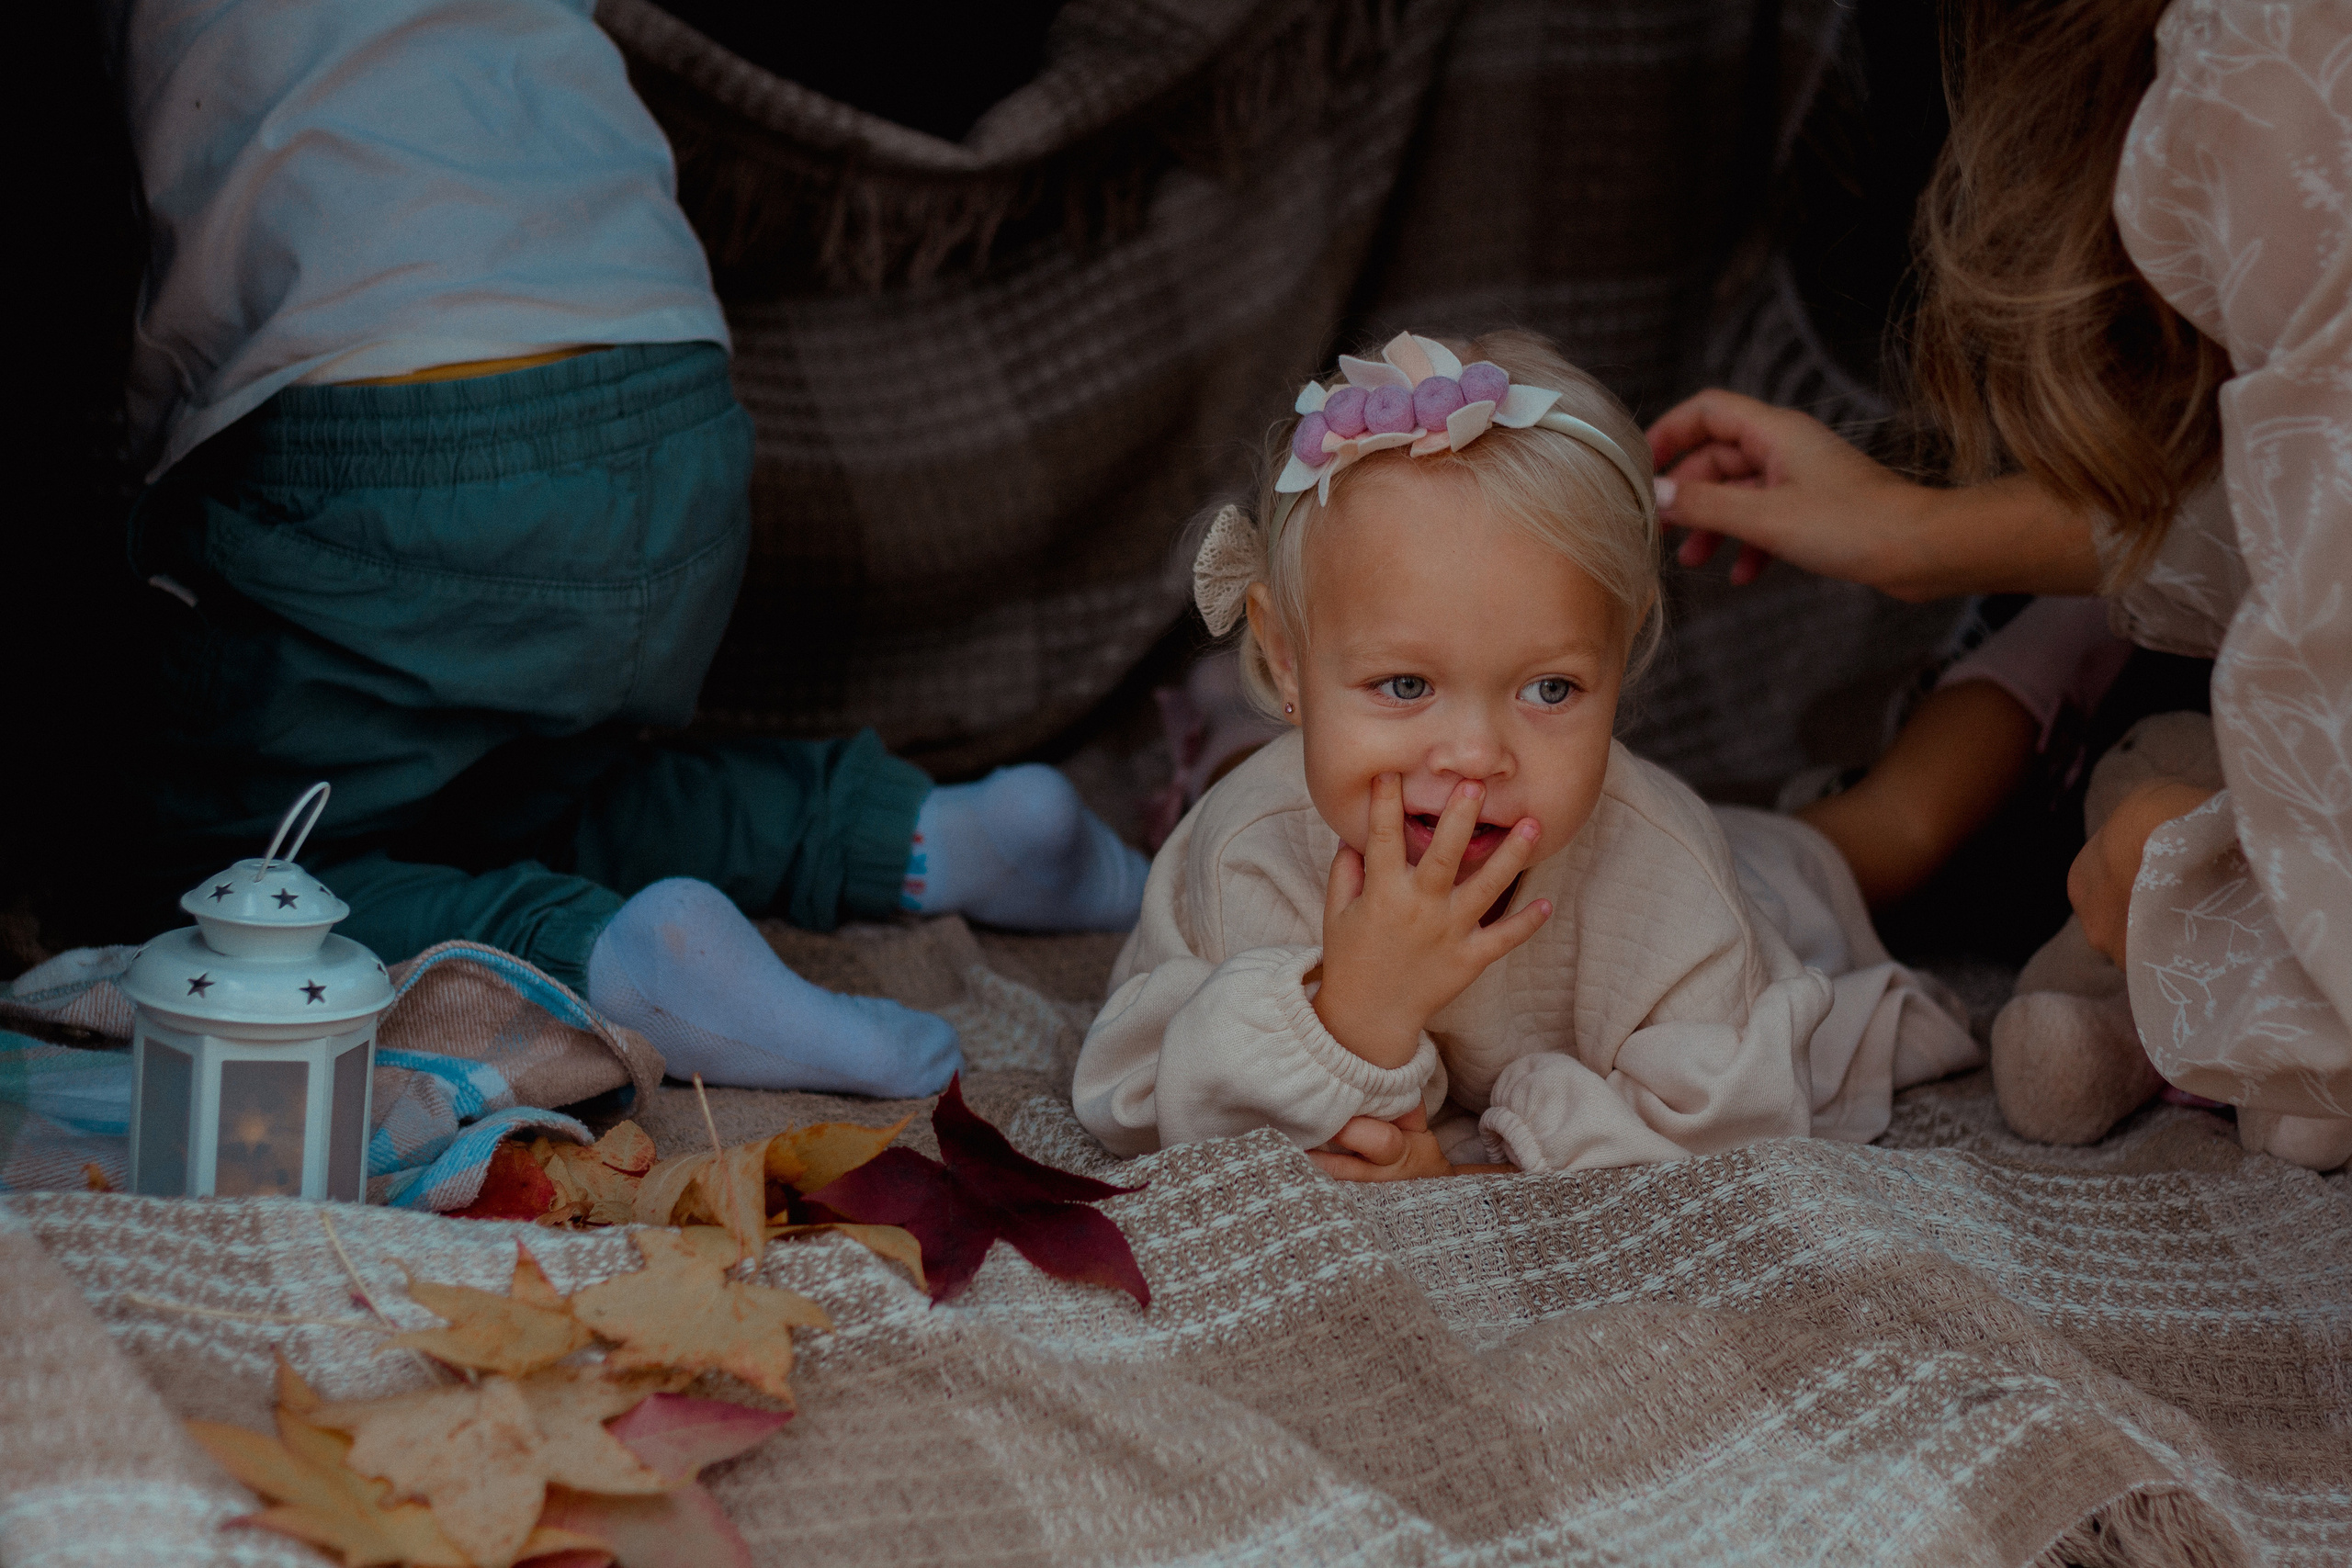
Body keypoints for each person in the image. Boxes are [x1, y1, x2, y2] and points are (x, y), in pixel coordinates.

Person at [111, 0, 1147, 1100]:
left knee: (225, 882)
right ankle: (928, 834)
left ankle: (610, 959)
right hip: (674, 401)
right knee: (538, 793)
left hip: (392, 423)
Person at [1647, 0, 2348, 1167]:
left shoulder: (2278, 72)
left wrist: (2203, 890)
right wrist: (1918, 534)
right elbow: (2302, 496)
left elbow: (1887, 832)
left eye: (1553, 686)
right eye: (1404, 682)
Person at [1072, 331, 1979, 1178]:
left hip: (1770, 881)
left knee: (1883, 840)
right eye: (1404, 685)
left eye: (1549, 689)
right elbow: (1143, 1095)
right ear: (1283, 657)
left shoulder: (1666, 877)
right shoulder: (1249, 851)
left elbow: (1727, 1127)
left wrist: (1478, 1162)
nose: (1474, 756)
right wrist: (1347, 1015)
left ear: (1617, 665)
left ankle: (2040, 658)